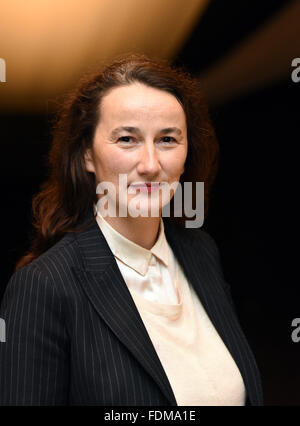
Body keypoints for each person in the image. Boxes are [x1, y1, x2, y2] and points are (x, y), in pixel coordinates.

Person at [0, 53, 263, 406]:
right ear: (86, 156)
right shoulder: (45, 286)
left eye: (168, 139)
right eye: (127, 139)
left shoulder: (200, 251)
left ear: (187, 153)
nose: (151, 165)